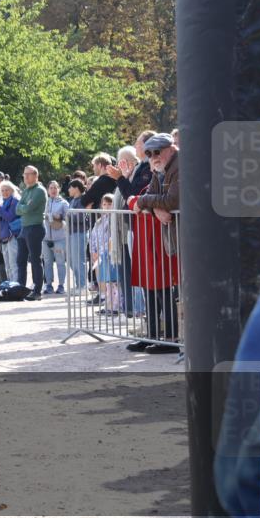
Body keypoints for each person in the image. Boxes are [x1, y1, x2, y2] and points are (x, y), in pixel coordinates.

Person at [126, 132, 180, 353]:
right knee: (151, 287)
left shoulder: (179, 166)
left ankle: (171, 338)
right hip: (166, 235)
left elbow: (171, 201)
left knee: (166, 289)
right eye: (149, 153)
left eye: (157, 151)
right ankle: (153, 335)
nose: (153, 156)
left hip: (177, 236)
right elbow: (150, 197)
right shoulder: (160, 169)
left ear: (170, 149)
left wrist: (145, 202)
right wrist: (152, 205)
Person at [15, 166, 47, 300]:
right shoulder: (26, 190)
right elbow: (17, 209)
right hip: (25, 227)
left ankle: (37, 290)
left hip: (35, 227)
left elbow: (28, 208)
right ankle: (21, 289)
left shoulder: (39, 191)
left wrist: (23, 207)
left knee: (35, 259)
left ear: (36, 175)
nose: (25, 177)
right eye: (24, 175)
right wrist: (23, 207)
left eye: (28, 174)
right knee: (20, 260)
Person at [89, 194, 121, 315]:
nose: (107, 207)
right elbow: (92, 237)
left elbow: (112, 237)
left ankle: (116, 306)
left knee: (114, 282)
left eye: (110, 204)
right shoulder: (99, 221)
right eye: (105, 204)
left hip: (110, 254)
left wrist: (107, 249)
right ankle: (108, 305)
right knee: (106, 282)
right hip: (101, 255)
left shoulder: (114, 218)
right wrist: (93, 251)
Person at [42, 180, 69, 295]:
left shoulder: (64, 203)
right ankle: (48, 285)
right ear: (48, 190)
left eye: (55, 188)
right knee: (47, 262)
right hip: (45, 238)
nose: (53, 190)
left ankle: (61, 285)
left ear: (59, 189)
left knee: (60, 262)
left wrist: (60, 217)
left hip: (60, 237)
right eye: (51, 188)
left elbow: (69, 219)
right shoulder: (44, 202)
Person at [0, 181, 21, 287]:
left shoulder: (14, 201)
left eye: (7, 190)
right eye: (2, 190)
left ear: (12, 190)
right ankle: (10, 284)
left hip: (12, 235)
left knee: (13, 263)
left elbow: (10, 217)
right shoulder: (3, 202)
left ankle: (15, 285)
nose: (4, 192)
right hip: (4, 235)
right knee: (8, 264)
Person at [66, 179, 89, 292]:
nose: (68, 189)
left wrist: (69, 215)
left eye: (70, 187)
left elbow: (82, 217)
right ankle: (79, 284)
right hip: (71, 233)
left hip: (79, 232)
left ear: (76, 188)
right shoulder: (72, 200)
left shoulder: (82, 200)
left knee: (78, 260)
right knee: (71, 260)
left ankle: (83, 285)